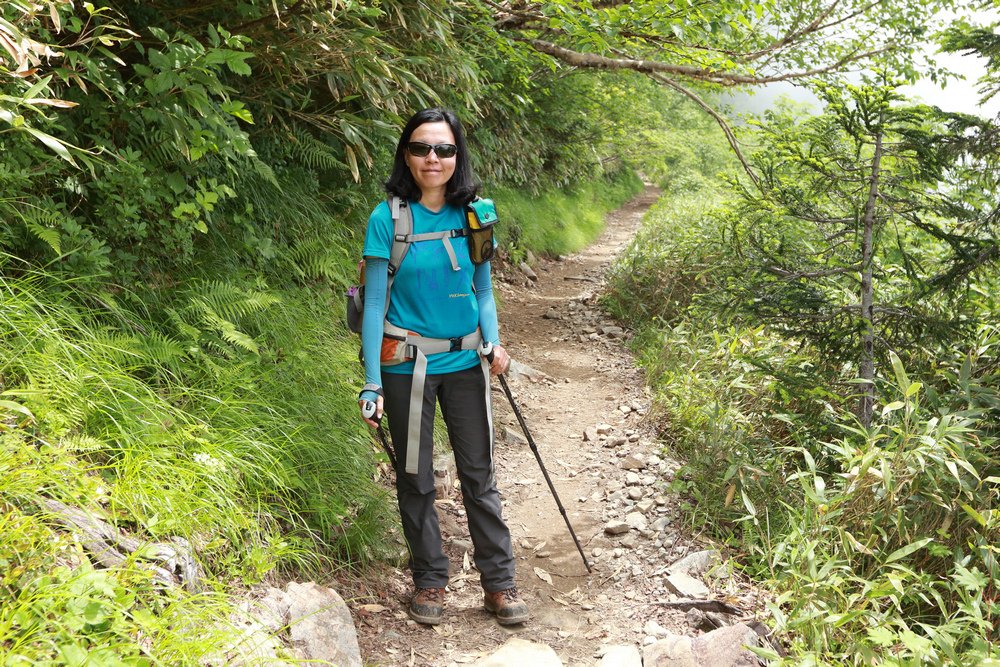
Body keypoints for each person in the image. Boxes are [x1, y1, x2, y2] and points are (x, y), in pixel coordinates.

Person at [357, 108, 528, 626]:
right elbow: (372, 304)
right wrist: (371, 380)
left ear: (458, 156)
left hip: (466, 361)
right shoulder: (387, 217)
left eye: (444, 149)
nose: (433, 158)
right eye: (422, 148)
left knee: (480, 475)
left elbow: (482, 288)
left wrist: (494, 342)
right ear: (406, 155)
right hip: (405, 364)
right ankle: (430, 580)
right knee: (415, 477)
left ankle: (498, 584)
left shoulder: (477, 212)